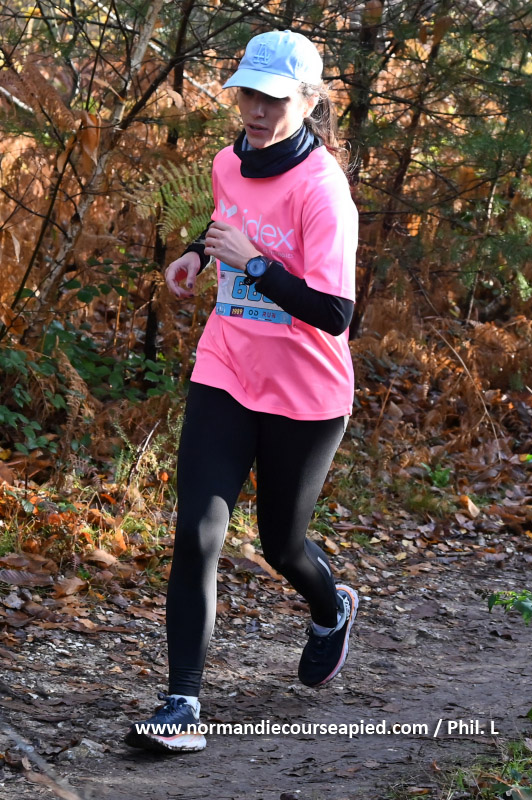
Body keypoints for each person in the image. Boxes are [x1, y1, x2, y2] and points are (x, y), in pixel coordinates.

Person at [125, 29, 359, 754]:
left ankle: (331, 607)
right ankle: (182, 704)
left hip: (305, 391)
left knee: (281, 545)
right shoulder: (230, 161)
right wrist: (197, 255)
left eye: (273, 99)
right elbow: (228, 222)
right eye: (247, 94)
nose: (255, 110)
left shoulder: (324, 191)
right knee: (198, 529)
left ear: (309, 102)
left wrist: (255, 265)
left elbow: (336, 313)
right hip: (226, 368)